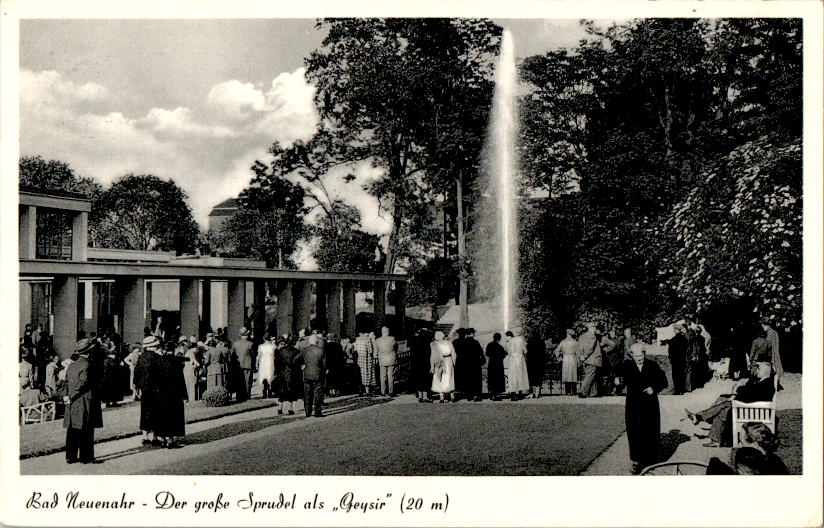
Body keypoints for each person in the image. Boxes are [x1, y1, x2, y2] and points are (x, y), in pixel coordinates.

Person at [685, 354, 776, 447]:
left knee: (724, 406)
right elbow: (749, 393)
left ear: (765, 372)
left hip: (751, 410)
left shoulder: (765, 385)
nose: (757, 370)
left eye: (759, 369)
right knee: (723, 407)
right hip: (749, 408)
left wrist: (738, 392)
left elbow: (749, 394)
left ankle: (701, 418)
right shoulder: (763, 382)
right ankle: (707, 426)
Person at [617, 342, 668, 474]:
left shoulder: (652, 366)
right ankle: (635, 461)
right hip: (633, 404)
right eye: (636, 355)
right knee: (634, 431)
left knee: (650, 431)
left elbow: (664, 381)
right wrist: (618, 381)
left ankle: (650, 461)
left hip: (649, 404)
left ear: (644, 354)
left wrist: (654, 388)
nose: (639, 358)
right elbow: (620, 378)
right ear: (632, 355)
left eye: (641, 355)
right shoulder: (627, 366)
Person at [63, 338, 103, 464]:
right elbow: (83, 383)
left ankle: (71, 456)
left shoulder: (72, 365)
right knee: (86, 428)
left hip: (72, 401)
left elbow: (66, 382)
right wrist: (72, 395)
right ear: (89, 351)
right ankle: (86, 457)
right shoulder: (87, 365)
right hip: (84, 400)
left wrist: (66, 396)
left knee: (73, 429)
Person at [154, 342, 187, 448]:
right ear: (174, 349)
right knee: (174, 416)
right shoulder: (177, 362)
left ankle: (163, 438)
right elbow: (181, 380)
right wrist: (184, 394)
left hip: (162, 393)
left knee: (163, 415)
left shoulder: (159, 361)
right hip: (175, 393)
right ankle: (171, 440)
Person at [134, 335, 162, 446]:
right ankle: (154, 437)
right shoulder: (158, 358)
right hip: (156, 389)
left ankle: (145, 436)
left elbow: (136, 374)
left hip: (144, 389)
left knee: (144, 412)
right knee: (155, 412)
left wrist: (137, 387)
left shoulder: (141, 358)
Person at [296, 334, 326, 417]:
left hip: (307, 373)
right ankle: (317, 411)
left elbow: (296, 359)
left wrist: (301, 366)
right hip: (318, 373)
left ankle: (308, 411)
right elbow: (324, 363)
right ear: (316, 341)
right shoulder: (321, 350)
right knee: (318, 393)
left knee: (307, 393)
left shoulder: (304, 350)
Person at [274, 336, 300, 415]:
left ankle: (280, 407)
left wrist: (277, 372)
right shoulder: (296, 351)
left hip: (282, 373)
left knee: (282, 391)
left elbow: (277, 363)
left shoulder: (281, 351)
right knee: (291, 391)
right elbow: (297, 364)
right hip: (292, 373)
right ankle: (290, 408)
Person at [661, 323, 689, 394]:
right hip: (682, 360)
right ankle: (682, 389)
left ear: (676, 330)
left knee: (676, 375)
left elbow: (671, 350)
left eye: (674, 329)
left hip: (675, 360)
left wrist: (671, 358)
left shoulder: (674, 339)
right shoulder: (684, 339)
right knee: (682, 374)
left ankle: (677, 389)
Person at [577, 323, 602, 398]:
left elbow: (579, 347)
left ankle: (593, 393)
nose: (595, 329)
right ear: (592, 328)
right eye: (595, 327)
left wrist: (581, 356)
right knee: (590, 376)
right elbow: (590, 348)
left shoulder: (582, 336)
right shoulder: (592, 336)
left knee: (592, 375)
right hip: (592, 359)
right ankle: (582, 391)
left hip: (585, 359)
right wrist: (585, 356)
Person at [430, 331, 456, 402]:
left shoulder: (434, 344)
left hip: (439, 362)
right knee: (449, 378)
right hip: (448, 361)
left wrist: (432, 366)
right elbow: (454, 354)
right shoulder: (449, 343)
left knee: (439, 378)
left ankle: (442, 397)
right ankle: (452, 395)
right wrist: (454, 363)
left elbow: (432, 356)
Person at [231, 327, 256, 402]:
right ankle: (247, 396)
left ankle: (239, 396)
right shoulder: (250, 344)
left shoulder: (235, 344)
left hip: (238, 366)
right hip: (248, 364)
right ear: (246, 335)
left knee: (239, 381)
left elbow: (232, 354)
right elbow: (253, 354)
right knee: (247, 381)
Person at [504, 330, 530, 400]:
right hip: (520, 360)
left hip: (512, 360)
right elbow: (525, 351)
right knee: (520, 375)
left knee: (512, 376)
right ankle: (520, 393)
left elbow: (506, 351)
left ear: (508, 336)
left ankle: (513, 393)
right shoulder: (520, 339)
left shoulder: (508, 343)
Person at [410, 328, 433, 402]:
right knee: (426, 379)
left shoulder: (414, 342)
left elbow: (412, 354)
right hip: (426, 363)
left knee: (418, 379)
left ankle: (420, 396)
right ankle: (426, 396)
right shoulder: (428, 342)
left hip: (417, 363)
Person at [463, 328, 485, 401]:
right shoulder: (476, 342)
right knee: (476, 380)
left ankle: (469, 396)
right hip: (475, 364)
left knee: (468, 379)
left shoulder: (464, 342)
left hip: (466, 364)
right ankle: (477, 395)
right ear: (472, 334)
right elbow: (481, 353)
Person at [554, 329, 579, 395]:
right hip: (573, 358)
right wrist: (579, 361)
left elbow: (557, 351)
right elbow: (578, 352)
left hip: (565, 358)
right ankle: (574, 391)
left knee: (566, 374)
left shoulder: (563, 342)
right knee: (573, 374)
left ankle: (567, 391)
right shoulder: (575, 342)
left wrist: (559, 358)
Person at [375, 326, 397, 396]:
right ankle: (391, 391)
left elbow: (376, 351)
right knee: (391, 376)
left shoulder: (378, 340)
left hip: (382, 359)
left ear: (382, 332)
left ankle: (383, 392)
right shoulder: (392, 339)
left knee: (383, 376)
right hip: (391, 359)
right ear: (388, 331)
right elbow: (396, 348)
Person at [761, 319, 784, 389]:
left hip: (771, 354)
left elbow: (768, 345)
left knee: (771, 368)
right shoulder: (774, 332)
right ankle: (777, 383)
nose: (762, 327)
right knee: (776, 367)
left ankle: (774, 385)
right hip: (776, 353)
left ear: (765, 325)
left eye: (762, 326)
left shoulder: (769, 333)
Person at [485, 332, 507, 400]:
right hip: (498, 365)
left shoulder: (489, 345)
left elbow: (487, 353)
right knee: (498, 379)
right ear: (499, 339)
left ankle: (492, 394)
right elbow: (504, 355)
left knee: (492, 379)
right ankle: (497, 394)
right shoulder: (500, 347)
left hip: (491, 364)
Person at [526, 332, 546, 399]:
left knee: (531, 377)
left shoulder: (530, 342)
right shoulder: (542, 342)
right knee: (538, 377)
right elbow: (544, 353)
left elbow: (527, 353)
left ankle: (532, 393)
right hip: (539, 362)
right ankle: (537, 393)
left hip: (531, 362)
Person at [183, 337, 201, 402]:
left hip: (186, 370)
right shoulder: (191, 353)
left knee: (188, 384)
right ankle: (192, 399)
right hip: (190, 370)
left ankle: (190, 398)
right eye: (197, 349)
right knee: (192, 384)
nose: (197, 351)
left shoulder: (188, 352)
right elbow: (196, 363)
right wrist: (199, 365)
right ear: (194, 348)